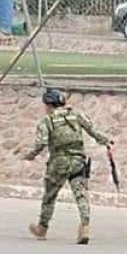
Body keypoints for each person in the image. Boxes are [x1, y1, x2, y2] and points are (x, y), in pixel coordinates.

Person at [23, 88, 113, 245]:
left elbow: (42, 142)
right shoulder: (76, 115)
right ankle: (84, 227)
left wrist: (31, 155)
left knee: (50, 196)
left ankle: (42, 228)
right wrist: (106, 141)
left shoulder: (47, 121)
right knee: (81, 195)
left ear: (48, 104)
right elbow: (93, 130)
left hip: (58, 162)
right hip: (78, 160)